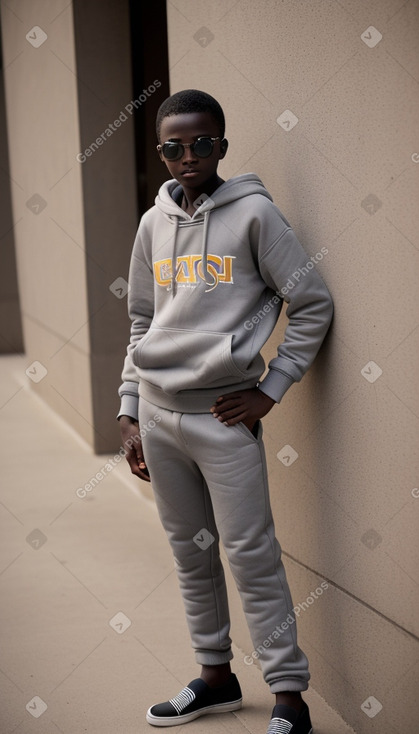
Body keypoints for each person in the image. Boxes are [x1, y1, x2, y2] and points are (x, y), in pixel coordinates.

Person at [118, 89, 333, 734]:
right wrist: (130, 411)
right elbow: (140, 319)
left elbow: (312, 303)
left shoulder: (256, 217)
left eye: (202, 143)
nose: (189, 156)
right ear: (160, 152)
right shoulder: (152, 224)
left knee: (250, 553)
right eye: (174, 147)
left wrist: (271, 389)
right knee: (191, 553)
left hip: (222, 416)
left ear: (222, 145)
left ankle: (289, 696)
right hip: (158, 417)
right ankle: (214, 676)